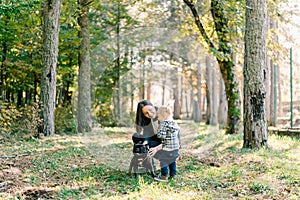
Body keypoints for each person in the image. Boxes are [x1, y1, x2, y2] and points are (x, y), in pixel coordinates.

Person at [153, 105, 181, 182]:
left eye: (158, 116)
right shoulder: (174, 123)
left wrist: (158, 133)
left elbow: (162, 135)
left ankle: (164, 176)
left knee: (163, 160)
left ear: (163, 116)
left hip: (167, 147)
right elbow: (178, 134)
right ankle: (173, 174)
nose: (158, 118)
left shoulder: (163, 124)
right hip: (175, 147)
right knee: (172, 161)